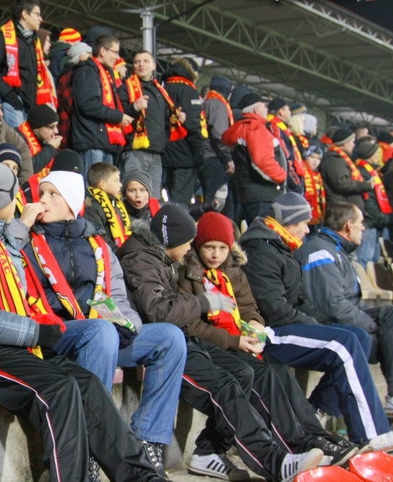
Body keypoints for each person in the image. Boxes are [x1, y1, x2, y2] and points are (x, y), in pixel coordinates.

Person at [0, 159, 168, 482]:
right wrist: (35, 332)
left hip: (5, 343)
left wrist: (35, 330)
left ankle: (142, 476)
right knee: (60, 389)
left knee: (86, 383)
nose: (24, 201)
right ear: (1, 199)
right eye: (15, 194)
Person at [118, 204, 324, 481]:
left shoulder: (159, 257)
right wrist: (205, 302)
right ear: (172, 240)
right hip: (163, 346)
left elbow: (243, 306)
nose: (191, 249)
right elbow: (161, 311)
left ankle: (208, 451)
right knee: (225, 386)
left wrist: (251, 323)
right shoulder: (140, 259)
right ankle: (275, 462)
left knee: (244, 372)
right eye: (189, 242)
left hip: (180, 338)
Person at [23, 169, 187, 477]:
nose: (42, 200)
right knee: (100, 331)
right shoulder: (27, 239)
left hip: (102, 334)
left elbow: (118, 298)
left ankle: (148, 441)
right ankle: (88, 447)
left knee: (169, 338)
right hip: (56, 334)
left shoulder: (98, 243)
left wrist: (128, 324)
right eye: (41, 193)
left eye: (52, 194)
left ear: (71, 201)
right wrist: (21, 226)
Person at [179, 211, 360, 467]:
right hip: (214, 344)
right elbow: (193, 324)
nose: (215, 255)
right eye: (209, 247)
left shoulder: (233, 270)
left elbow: (248, 306)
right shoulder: (189, 273)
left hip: (237, 340)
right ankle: (296, 445)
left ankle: (315, 437)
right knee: (260, 374)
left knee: (278, 369)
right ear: (199, 246)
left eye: (222, 248)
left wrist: (255, 323)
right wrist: (234, 342)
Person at [240, 192, 393, 450]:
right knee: (343, 344)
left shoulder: (283, 246)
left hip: (285, 323)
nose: (307, 229)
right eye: (303, 223)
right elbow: (274, 309)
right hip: (268, 331)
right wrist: (314, 325)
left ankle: (316, 411)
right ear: (289, 222)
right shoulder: (261, 250)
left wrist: (319, 323)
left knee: (357, 336)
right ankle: (370, 436)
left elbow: (300, 301)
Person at [296, 202, 393, 415]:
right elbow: (333, 305)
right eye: (361, 223)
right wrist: (372, 326)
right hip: (321, 322)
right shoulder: (320, 252)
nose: (364, 228)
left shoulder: (339, 250)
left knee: (390, 316)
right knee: (363, 339)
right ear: (349, 225)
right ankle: (318, 407)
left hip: (340, 317)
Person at [0, 0, 57, 127]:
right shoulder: (1, 38)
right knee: (17, 140)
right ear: (24, 14)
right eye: (37, 14)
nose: (40, 19)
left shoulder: (33, 43)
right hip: (11, 104)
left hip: (31, 106)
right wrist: (9, 95)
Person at [121, 50, 185, 197]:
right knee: (132, 194)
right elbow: (118, 113)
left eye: (145, 61)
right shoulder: (125, 88)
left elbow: (164, 119)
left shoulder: (160, 90)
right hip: (134, 150)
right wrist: (134, 107)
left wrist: (176, 117)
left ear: (154, 66)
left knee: (153, 197)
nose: (141, 64)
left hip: (156, 152)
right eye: (137, 62)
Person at [69, 35, 132, 174]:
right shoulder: (87, 71)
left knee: (105, 185)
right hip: (92, 140)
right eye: (115, 52)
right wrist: (118, 116)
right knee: (94, 184)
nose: (117, 57)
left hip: (103, 140)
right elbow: (88, 104)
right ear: (103, 51)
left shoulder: (104, 73)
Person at [222, 93, 287, 225]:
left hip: (248, 193)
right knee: (263, 232)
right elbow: (262, 161)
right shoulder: (255, 128)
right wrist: (281, 176)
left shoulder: (241, 127)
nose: (267, 109)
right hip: (263, 194)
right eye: (264, 106)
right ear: (256, 109)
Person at [161, 58, 206, 208]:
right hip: (184, 153)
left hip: (161, 151)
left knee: (161, 201)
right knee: (180, 204)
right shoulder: (188, 90)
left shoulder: (162, 88)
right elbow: (193, 124)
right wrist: (199, 153)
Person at [201, 75, 235, 218]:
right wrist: (228, 158)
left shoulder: (206, 102)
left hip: (205, 156)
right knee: (216, 203)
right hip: (213, 158)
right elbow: (219, 134)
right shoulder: (218, 105)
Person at [352, 136, 390, 265]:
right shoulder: (363, 172)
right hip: (369, 221)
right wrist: (380, 217)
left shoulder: (372, 171)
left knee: (373, 258)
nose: (378, 156)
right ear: (370, 155)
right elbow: (368, 198)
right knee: (364, 257)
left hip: (374, 222)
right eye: (376, 153)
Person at [319, 127, 372, 210]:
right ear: (344, 143)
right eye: (352, 142)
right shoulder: (334, 160)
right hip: (341, 210)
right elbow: (342, 184)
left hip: (347, 208)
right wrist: (365, 185)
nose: (354, 145)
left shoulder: (341, 158)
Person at [84, 162, 130, 249]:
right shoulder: (92, 206)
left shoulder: (116, 203)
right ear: (102, 184)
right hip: (110, 253)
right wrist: (120, 253)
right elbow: (100, 236)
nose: (120, 185)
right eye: (116, 181)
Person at [16, 104, 62, 175]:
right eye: (51, 127)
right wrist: (51, 148)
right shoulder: (18, 140)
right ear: (37, 128)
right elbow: (28, 168)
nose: (56, 131)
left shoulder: (41, 138)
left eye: (56, 126)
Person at [301, 144, 326, 229]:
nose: (315, 161)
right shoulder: (301, 171)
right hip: (304, 214)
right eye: (312, 157)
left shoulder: (317, 174)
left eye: (318, 158)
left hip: (317, 216)